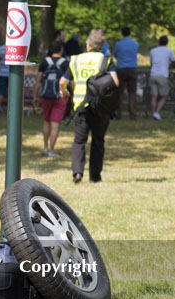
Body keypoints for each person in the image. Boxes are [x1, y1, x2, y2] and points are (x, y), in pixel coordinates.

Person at [62, 28, 117, 184]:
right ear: (101, 46)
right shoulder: (106, 60)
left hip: (80, 105)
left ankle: (77, 173)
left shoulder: (76, 60)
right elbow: (115, 82)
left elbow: (62, 81)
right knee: (98, 141)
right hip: (100, 106)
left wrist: (65, 92)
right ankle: (95, 176)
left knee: (79, 141)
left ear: (88, 45)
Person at [33, 39, 69, 157]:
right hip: (60, 96)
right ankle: (51, 150)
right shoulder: (65, 63)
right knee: (55, 123)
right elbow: (69, 81)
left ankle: (45, 147)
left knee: (46, 120)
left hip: (46, 95)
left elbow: (38, 81)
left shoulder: (45, 62)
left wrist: (36, 96)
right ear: (61, 49)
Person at [112, 26, 139, 120]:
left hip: (121, 69)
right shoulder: (135, 44)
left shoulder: (118, 44)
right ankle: (133, 113)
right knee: (132, 92)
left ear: (122, 33)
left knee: (120, 92)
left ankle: (119, 113)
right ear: (130, 33)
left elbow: (115, 54)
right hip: (132, 68)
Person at [148, 35, 175, 120]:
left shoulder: (153, 51)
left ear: (159, 41)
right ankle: (157, 112)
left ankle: (153, 113)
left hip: (153, 74)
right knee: (164, 96)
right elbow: (174, 61)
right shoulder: (169, 51)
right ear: (167, 42)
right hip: (163, 75)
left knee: (154, 96)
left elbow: (151, 63)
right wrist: (169, 65)